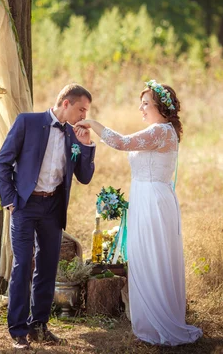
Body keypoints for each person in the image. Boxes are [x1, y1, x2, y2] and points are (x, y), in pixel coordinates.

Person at [74, 80, 202, 346]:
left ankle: (161, 320)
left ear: (160, 107)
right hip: (145, 198)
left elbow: (121, 142)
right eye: (141, 103)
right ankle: (152, 318)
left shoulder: (161, 132)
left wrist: (93, 124)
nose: (140, 108)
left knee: (154, 256)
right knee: (145, 255)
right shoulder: (159, 131)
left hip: (154, 201)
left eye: (145, 103)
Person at [0, 83, 96, 350]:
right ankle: (18, 331)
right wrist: (11, 201)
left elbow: (84, 178)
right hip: (25, 206)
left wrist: (86, 146)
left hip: (53, 208)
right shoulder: (27, 122)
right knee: (22, 266)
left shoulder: (75, 135)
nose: (84, 116)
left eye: (86, 111)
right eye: (81, 109)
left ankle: (39, 325)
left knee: (48, 267)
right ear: (66, 103)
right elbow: (2, 162)